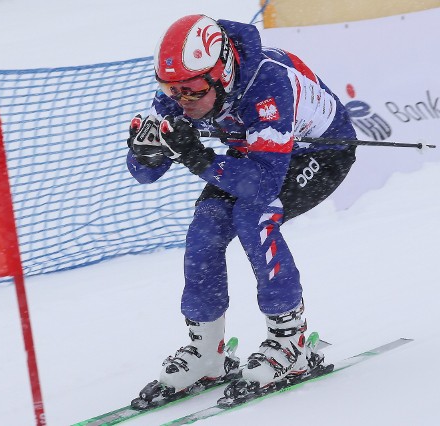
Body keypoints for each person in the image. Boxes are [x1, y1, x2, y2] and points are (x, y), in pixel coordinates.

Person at [126, 14, 357, 399]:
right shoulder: (183, 90)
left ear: (223, 73)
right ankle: (207, 352)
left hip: (319, 152)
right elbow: (144, 173)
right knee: (206, 226)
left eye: (194, 90)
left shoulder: (268, 81)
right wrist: (146, 154)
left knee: (254, 216)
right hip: (257, 153)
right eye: (171, 90)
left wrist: (198, 158)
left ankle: (291, 342)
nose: (183, 101)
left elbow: (262, 183)